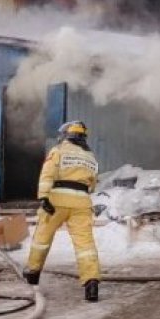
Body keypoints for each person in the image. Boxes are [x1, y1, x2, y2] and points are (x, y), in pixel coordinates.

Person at [23, 120, 102, 302]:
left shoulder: (58, 151)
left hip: (57, 200)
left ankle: (33, 273)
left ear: (66, 135)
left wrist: (43, 197)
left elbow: (47, 174)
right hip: (82, 202)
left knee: (42, 239)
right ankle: (91, 283)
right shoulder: (90, 157)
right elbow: (92, 184)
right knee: (85, 245)